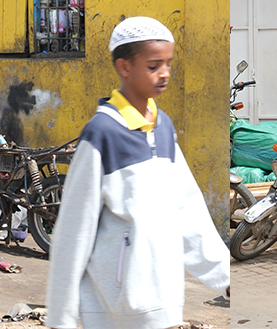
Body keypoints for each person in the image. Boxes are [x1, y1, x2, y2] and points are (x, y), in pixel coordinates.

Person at [44, 16, 229, 329]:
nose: (165, 74)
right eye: (154, 65)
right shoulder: (102, 133)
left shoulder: (163, 126)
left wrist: (225, 274)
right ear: (124, 67)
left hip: (164, 302)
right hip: (114, 310)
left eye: (169, 63)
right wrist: (60, 317)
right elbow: (74, 230)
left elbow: (187, 209)